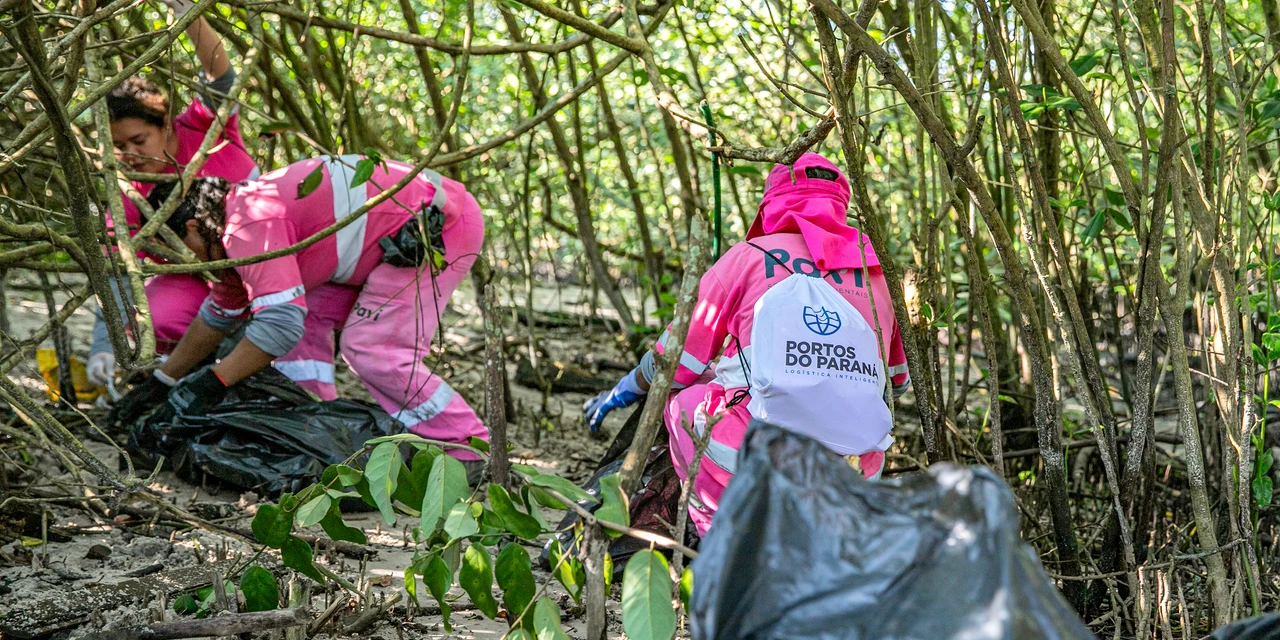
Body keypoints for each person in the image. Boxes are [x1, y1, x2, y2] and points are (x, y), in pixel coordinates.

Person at [583, 153, 910, 536]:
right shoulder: (877, 275)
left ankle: (722, 537)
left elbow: (675, 363)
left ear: (771, 202)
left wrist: (625, 388)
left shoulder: (749, 257)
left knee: (684, 403)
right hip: (856, 468)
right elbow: (895, 383)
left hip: (753, 456)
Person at [108, 156, 489, 468]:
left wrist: (211, 383)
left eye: (175, 246)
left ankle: (466, 446)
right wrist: (163, 381)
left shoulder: (247, 224)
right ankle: (320, 427)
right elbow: (221, 312)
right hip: (383, 244)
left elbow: (278, 326)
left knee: (372, 348)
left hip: (435, 227)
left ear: (192, 227)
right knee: (302, 331)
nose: (185, 260)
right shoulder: (232, 228)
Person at [86, 0, 260, 387]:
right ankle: (188, 374)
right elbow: (116, 268)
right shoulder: (129, 188)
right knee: (149, 315)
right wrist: (103, 346)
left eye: (138, 140)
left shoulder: (203, 128)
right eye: (118, 146)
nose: (129, 154)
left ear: (164, 124)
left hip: (264, 257)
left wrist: (189, 16)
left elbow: (220, 77)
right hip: (199, 283)